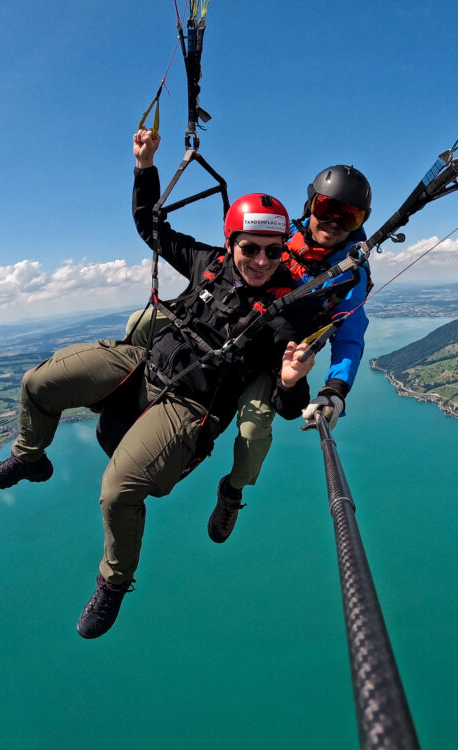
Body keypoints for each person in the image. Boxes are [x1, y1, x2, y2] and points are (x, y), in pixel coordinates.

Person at [0, 174, 316, 639]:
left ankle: (113, 582)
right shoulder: (208, 263)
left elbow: (286, 405)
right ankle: (29, 457)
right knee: (39, 381)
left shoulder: (285, 313)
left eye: (273, 250)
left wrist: (293, 381)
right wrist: (146, 167)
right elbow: (150, 227)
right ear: (231, 242)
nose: (261, 260)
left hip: (189, 404)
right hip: (142, 365)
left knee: (118, 490)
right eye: (250, 248)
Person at [131, 129, 373, 544]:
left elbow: (349, 334)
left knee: (254, 428)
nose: (333, 223)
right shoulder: (276, 235)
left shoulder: (349, 276)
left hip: (273, 356)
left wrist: (335, 389)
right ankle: (129, 394)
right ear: (310, 204)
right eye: (327, 208)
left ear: (360, 223)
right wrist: (146, 167)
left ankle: (232, 491)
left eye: (348, 217)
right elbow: (219, 243)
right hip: (227, 331)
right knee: (143, 321)